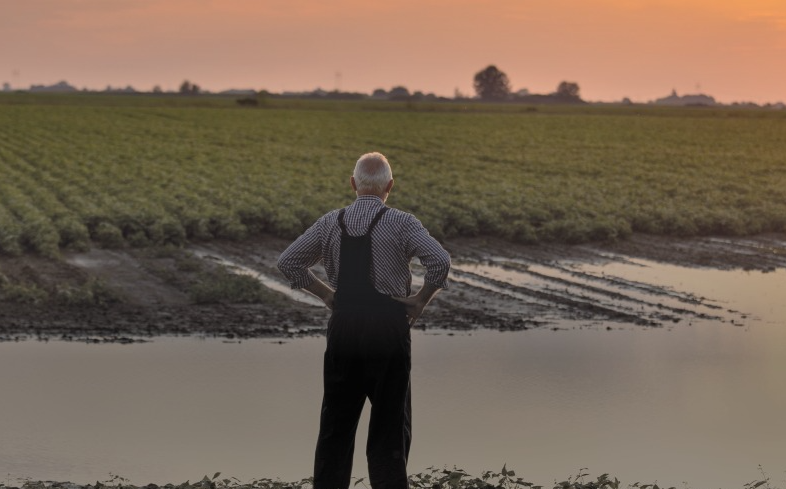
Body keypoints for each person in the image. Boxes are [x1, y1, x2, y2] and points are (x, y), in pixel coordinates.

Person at [277, 152, 451, 489]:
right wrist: (419, 302)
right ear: (390, 185)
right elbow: (440, 262)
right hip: (388, 329)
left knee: (335, 426)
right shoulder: (403, 222)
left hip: (345, 329)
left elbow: (289, 262)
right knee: (389, 426)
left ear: (353, 184)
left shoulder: (331, 221)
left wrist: (327, 295)